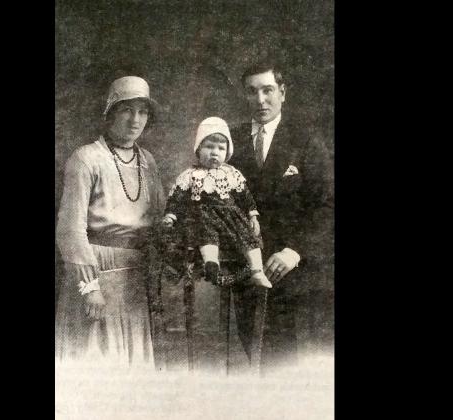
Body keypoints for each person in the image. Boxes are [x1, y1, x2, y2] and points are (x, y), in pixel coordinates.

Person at [54, 76, 165, 369]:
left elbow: (160, 218)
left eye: (142, 112)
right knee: (97, 369)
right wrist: (89, 287)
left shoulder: (148, 161)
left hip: (135, 280)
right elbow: (69, 230)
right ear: (111, 112)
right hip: (96, 274)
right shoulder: (86, 158)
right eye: (127, 110)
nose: (135, 119)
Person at [229, 60, 333, 372]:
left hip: (293, 275)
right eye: (252, 92)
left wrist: (295, 251)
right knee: (255, 357)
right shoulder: (229, 142)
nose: (260, 99)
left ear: (283, 93)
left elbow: (328, 206)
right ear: (245, 96)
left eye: (268, 90)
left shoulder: (306, 141)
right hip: (246, 271)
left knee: (287, 363)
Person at [161, 117, 272, 289]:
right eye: (209, 147)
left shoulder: (231, 173)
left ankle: (257, 270)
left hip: (231, 217)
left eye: (221, 148)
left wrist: (253, 215)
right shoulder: (191, 174)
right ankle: (211, 263)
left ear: (227, 152)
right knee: (206, 233)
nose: (215, 152)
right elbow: (178, 196)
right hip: (204, 217)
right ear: (198, 149)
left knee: (248, 236)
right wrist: (171, 215)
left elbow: (245, 195)